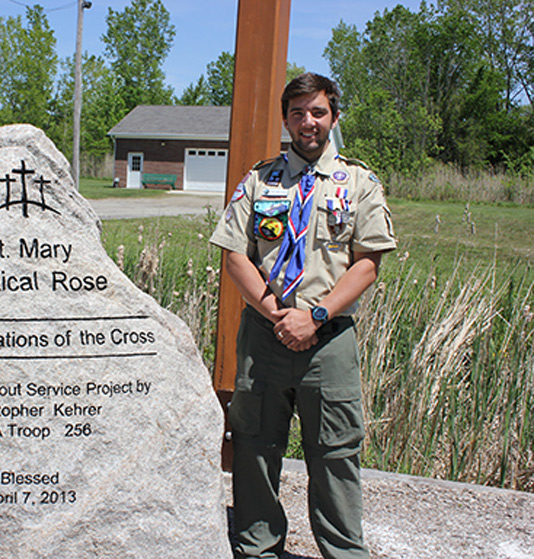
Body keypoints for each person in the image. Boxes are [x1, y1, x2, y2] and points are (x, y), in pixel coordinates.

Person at [210, 72, 397, 558]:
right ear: (285, 118)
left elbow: (367, 262)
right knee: (254, 446)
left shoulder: (358, 183)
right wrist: (277, 314)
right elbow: (235, 255)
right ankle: (257, 547)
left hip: (329, 340)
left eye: (317, 112)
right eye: (297, 112)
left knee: (335, 454)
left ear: (334, 116)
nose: (307, 122)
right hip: (265, 334)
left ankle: (343, 552)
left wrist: (313, 315)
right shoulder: (260, 179)